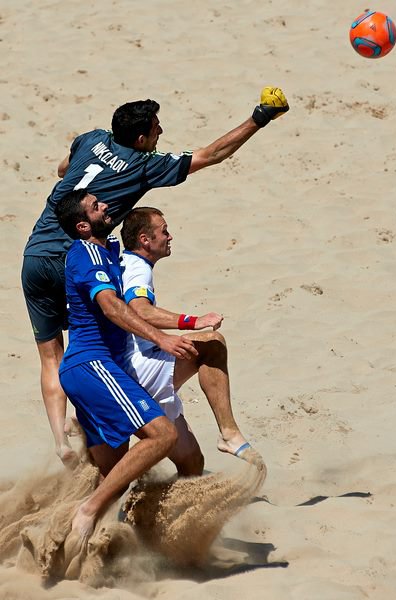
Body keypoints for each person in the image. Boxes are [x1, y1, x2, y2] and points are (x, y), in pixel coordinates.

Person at [21, 87, 289, 466]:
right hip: (71, 256)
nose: (161, 132)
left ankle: (63, 438)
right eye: (157, 128)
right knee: (113, 330)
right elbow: (211, 155)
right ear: (143, 138)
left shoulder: (93, 138)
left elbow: (63, 169)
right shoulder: (143, 170)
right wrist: (260, 117)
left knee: (51, 356)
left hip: (33, 255)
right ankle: (119, 414)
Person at [55, 188, 198, 540]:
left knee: (113, 475)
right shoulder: (87, 253)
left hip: (95, 371)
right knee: (163, 434)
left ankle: (70, 541)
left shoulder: (108, 251)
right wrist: (161, 337)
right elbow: (110, 305)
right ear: (83, 226)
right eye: (95, 206)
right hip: (92, 365)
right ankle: (87, 512)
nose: (104, 206)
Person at [119, 207, 260, 476]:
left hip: (143, 369)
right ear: (144, 239)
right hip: (139, 370)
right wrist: (193, 321)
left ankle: (149, 512)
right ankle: (228, 432)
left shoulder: (128, 263)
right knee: (212, 344)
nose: (170, 236)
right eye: (164, 231)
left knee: (192, 462)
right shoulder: (138, 268)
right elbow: (140, 309)